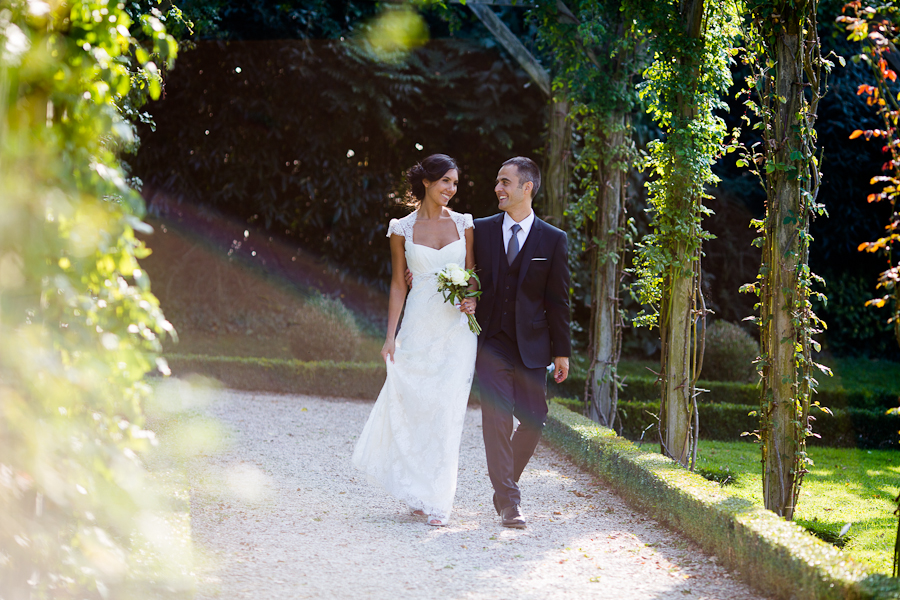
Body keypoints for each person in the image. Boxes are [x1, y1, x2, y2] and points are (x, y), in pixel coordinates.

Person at [352, 154, 477, 527]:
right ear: (427, 182)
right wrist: (390, 336)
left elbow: (472, 274)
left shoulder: (464, 224)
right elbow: (396, 285)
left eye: (455, 183)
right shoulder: (400, 229)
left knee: (447, 411)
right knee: (415, 408)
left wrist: (472, 296)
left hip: (456, 332)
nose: (451, 190)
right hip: (418, 328)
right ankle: (417, 489)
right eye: (445, 182)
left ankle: (439, 499)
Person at [473, 156, 571, 529]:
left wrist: (561, 351)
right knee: (495, 416)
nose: (498, 188)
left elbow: (558, 300)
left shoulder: (553, 239)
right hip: (491, 341)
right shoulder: (480, 230)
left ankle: (502, 484)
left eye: (505, 182)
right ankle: (510, 503)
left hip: (532, 345)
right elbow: (459, 265)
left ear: (526, 188)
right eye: (498, 182)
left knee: (535, 418)